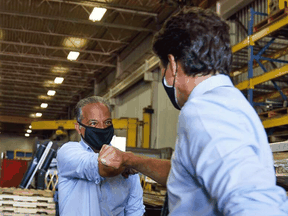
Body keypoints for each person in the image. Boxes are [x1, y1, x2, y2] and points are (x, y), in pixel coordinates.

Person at [98, 7, 288, 215]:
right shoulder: (230, 103)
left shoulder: (205, 111)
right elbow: (187, 176)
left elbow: (256, 206)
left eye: (163, 72)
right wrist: (131, 160)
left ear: (173, 64)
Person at [56, 96, 145, 216]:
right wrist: (126, 163)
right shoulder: (68, 152)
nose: (102, 128)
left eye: (107, 122)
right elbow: (95, 165)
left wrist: (127, 161)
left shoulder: (126, 162)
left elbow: (135, 210)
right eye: (93, 123)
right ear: (78, 128)